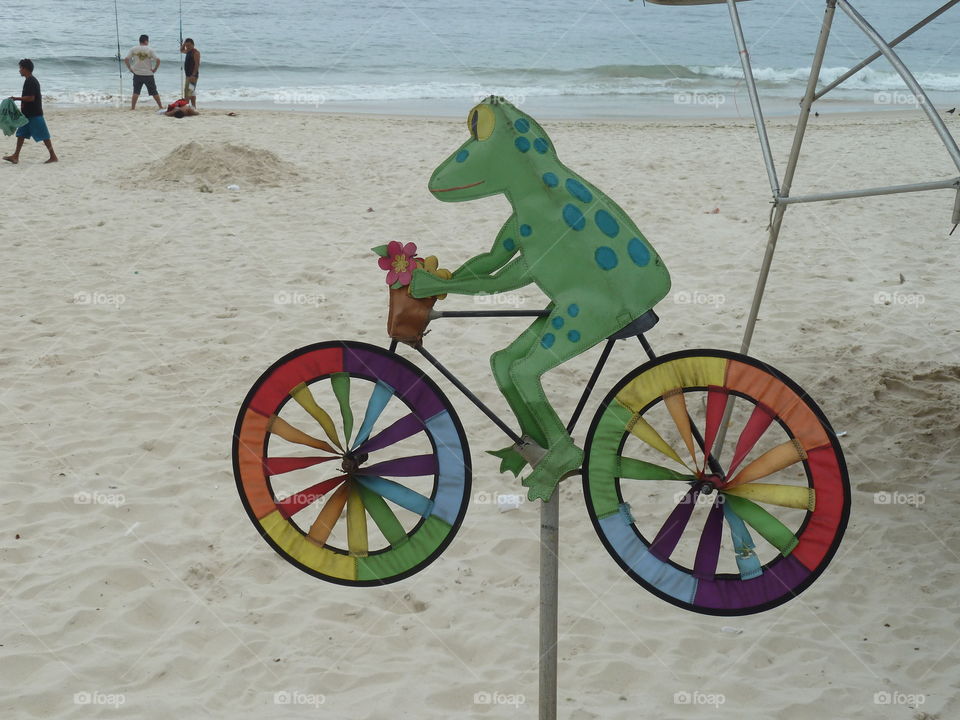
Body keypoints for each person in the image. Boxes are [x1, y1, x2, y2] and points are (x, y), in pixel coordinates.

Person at [3, 59, 57, 164]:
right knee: (21, 134)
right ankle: (15, 156)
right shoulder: (29, 80)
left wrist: (16, 98)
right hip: (27, 115)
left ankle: (53, 156)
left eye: (20, 68)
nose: (19, 70)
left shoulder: (31, 81)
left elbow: (31, 98)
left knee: (44, 136)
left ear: (25, 69)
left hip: (34, 114)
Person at [125, 34, 162, 110]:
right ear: (146, 41)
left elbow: (126, 59)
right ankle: (160, 106)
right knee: (154, 91)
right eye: (148, 41)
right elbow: (158, 60)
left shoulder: (133, 49)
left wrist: (130, 68)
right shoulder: (150, 50)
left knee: (136, 92)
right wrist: (155, 69)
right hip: (148, 74)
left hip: (137, 74)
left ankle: (133, 108)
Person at [180, 38, 201, 108]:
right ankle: (193, 106)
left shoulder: (196, 52)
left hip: (192, 76)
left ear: (193, 45)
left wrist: (193, 74)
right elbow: (181, 50)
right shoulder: (188, 51)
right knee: (191, 91)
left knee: (188, 91)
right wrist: (184, 44)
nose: (187, 47)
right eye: (187, 46)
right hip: (188, 75)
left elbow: (197, 64)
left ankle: (186, 106)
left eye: (189, 45)